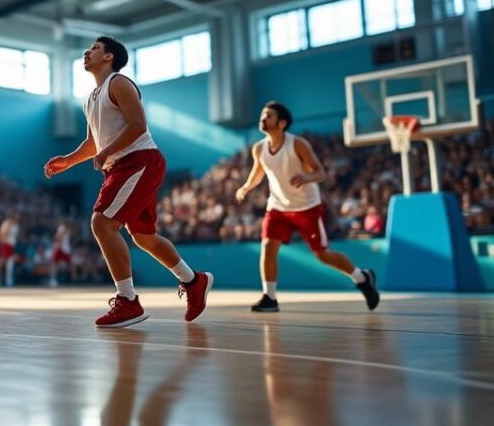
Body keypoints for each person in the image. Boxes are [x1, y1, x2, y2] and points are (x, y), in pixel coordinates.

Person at [45, 37, 213, 328]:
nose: (87, 52)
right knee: (144, 237)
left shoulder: (119, 83)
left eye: (94, 49)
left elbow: (138, 125)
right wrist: (68, 160)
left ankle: (128, 301)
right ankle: (193, 280)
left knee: (102, 223)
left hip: (139, 160)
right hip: (121, 165)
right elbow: (92, 143)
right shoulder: (91, 98)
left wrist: (106, 152)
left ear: (109, 57)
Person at [235, 101, 380, 312]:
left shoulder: (297, 144)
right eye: (262, 115)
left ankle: (361, 277)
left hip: (307, 207)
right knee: (268, 247)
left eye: (269, 116)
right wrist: (246, 187)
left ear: (282, 123)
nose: (263, 118)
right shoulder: (259, 148)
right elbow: (258, 172)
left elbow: (320, 172)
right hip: (277, 207)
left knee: (322, 255)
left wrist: (305, 177)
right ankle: (270, 297)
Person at [0, 211, 22, 287]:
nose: (18, 217)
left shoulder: (17, 225)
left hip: (11, 245)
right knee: (1, 262)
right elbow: (2, 234)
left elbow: (15, 237)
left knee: (10, 262)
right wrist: (3, 244)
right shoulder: (7, 223)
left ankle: (8, 280)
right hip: (5, 244)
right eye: (16, 215)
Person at [49, 221, 73, 287]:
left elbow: (59, 238)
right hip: (60, 248)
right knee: (54, 263)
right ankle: (53, 279)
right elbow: (58, 238)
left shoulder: (66, 229)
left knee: (70, 264)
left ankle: (72, 279)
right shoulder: (61, 228)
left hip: (65, 249)